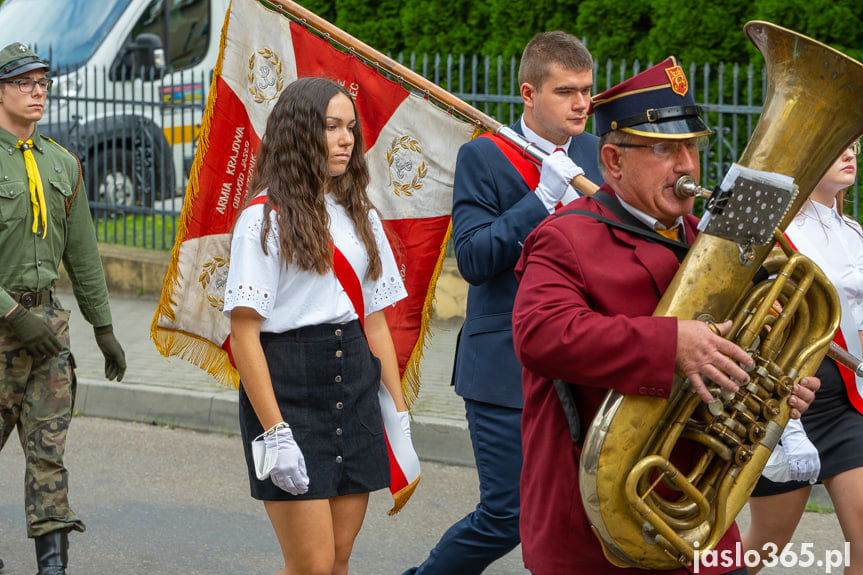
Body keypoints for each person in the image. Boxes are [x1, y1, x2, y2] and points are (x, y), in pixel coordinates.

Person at [510, 57, 820, 575]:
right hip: (596, 524)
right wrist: (670, 344)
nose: (687, 165)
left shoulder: (708, 241)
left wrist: (771, 385)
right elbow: (539, 335)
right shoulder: (567, 236)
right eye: (662, 148)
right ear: (611, 160)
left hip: (699, 513)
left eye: (691, 146)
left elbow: (730, 359)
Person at [403, 31, 602, 575]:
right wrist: (539, 198)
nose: (582, 103)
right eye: (566, 92)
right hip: (504, 366)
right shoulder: (484, 156)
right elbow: (473, 258)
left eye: (586, 90)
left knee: (587, 515)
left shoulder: (594, 149)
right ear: (528, 93)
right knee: (507, 514)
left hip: (584, 358)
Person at [222, 76, 410, 575]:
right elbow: (244, 336)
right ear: (300, 132)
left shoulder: (360, 214)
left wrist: (398, 411)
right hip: (289, 390)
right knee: (311, 564)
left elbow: (375, 325)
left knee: (340, 558)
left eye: (350, 127)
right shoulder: (263, 220)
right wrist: (276, 431)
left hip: (355, 385)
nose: (346, 138)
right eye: (331, 127)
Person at [0, 42, 126, 575]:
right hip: (3, 326)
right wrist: (11, 315)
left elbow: (83, 252)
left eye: (43, 83)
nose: (38, 92)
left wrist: (104, 327)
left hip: (49, 333)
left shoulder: (62, 163)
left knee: (48, 454)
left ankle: (53, 568)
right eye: (25, 83)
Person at [742, 141, 863, 574]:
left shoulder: (854, 232)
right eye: (837, 147)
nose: (850, 155)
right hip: (785, 404)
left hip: (846, 405)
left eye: (854, 147)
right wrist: (787, 424)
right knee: (763, 547)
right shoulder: (772, 226)